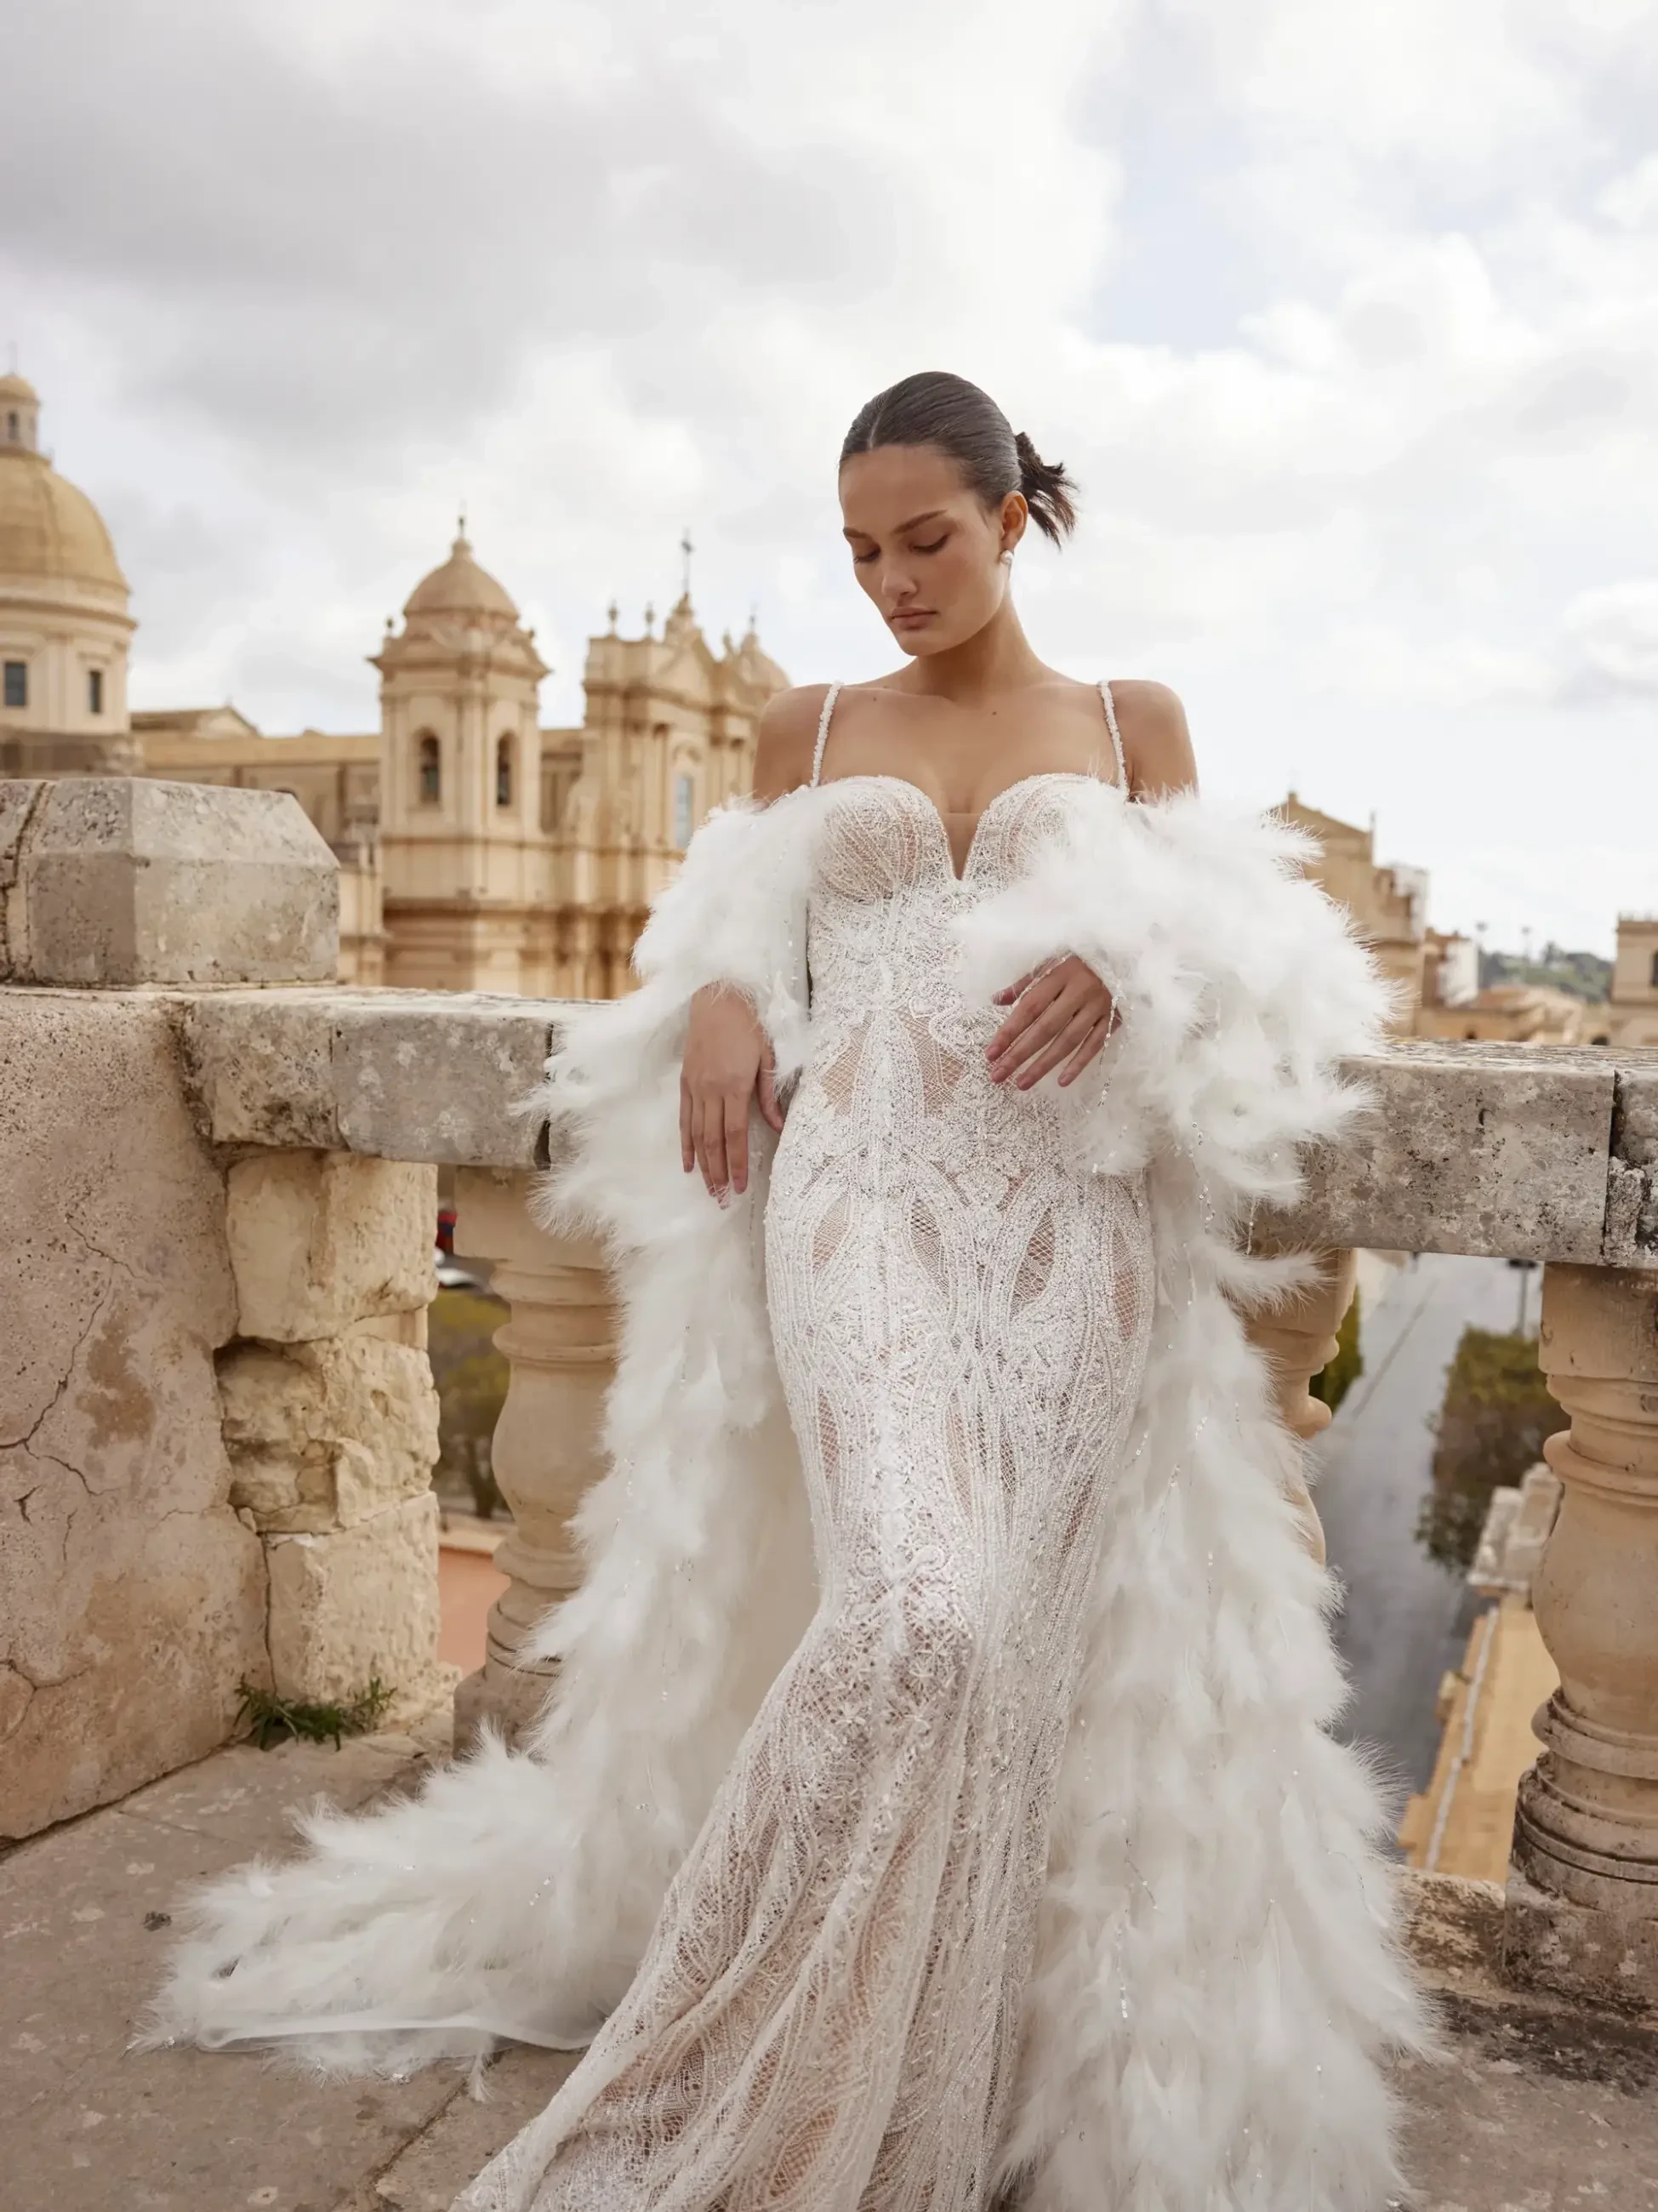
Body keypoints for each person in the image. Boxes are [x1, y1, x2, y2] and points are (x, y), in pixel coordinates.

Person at [149, 373, 1426, 2211]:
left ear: (1010, 518)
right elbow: (728, 924)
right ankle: (736, 2032)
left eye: (923, 540)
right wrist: (729, 990)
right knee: (921, 1615)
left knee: (1014, 1658)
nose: (890, 580)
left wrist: (1143, 971)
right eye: (856, 550)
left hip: (1074, 1235)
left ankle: (933, 2065)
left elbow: (1257, 978)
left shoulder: (1134, 723)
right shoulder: (800, 723)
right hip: (859, 1206)